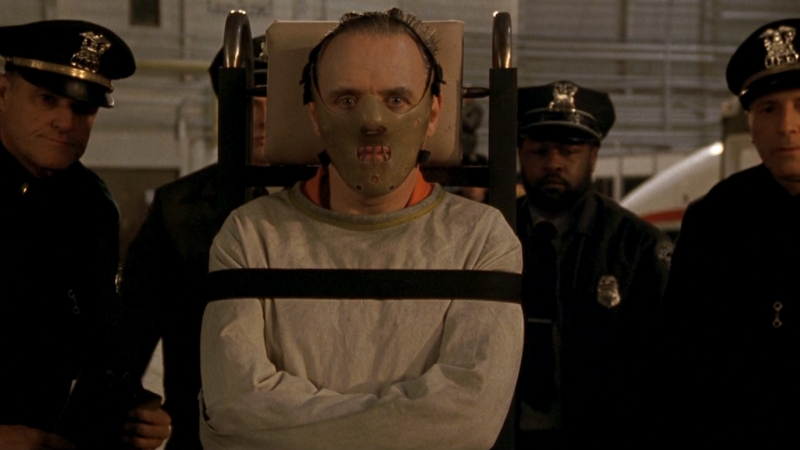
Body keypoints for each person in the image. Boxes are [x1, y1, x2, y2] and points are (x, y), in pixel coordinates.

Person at [198, 9, 524, 450]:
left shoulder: (481, 241)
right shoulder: (251, 236)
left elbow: (468, 419)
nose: (373, 122)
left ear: (433, 114)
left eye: (397, 99)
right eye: (347, 100)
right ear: (315, 116)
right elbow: (236, 407)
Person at [0, 20, 170, 450]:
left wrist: (133, 412)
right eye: (47, 99)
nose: (65, 122)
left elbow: (101, 340)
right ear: (2, 92)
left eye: (83, 109)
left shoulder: (90, 204)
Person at [119, 36, 268, 450]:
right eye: (249, 103)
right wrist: (130, 405)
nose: (262, 118)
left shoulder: (340, 202)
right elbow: (129, 331)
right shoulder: (178, 209)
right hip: (202, 434)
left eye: (276, 103)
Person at [661, 18, 800, 445]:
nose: (787, 126)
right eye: (769, 109)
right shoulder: (716, 219)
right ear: (751, 126)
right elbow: (682, 357)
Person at [515, 81, 672, 448]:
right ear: (520, 152)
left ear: (593, 156)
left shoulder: (637, 247)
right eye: (540, 151)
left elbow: (663, 365)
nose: (553, 163)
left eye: (569, 151)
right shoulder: (489, 234)